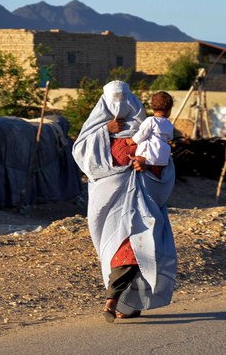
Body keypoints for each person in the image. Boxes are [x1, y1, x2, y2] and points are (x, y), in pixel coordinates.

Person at [72, 81, 177, 323]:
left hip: (143, 203)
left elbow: (164, 162)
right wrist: (105, 131)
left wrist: (146, 166)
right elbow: (84, 157)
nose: (119, 104)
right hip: (110, 205)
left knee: (140, 250)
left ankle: (124, 303)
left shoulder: (147, 128)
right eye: (114, 99)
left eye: (123, 97)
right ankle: (118, 302)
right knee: (119, 251)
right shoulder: (96, 129)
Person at [126, 91, 174, 176]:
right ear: (169, 110)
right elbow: (170, 137)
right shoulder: (169, 124)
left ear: (153, 107)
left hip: (148, 157)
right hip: (162, 159)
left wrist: (132, 140)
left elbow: (142, 134)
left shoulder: (151, 120)